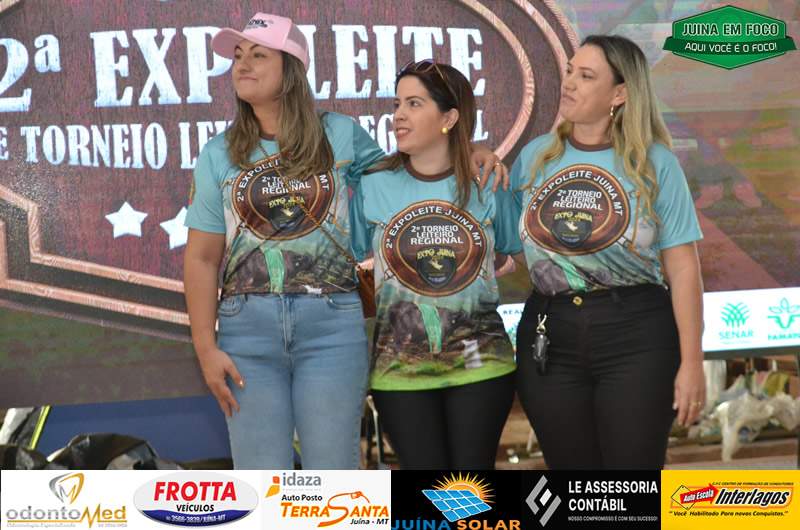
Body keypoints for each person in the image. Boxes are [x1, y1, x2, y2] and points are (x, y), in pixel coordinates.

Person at [183, 13, 506, 469]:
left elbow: (407, 168)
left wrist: (468, 148)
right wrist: (205, 347)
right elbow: (201, 258)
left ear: (292, 68)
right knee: (262, 482)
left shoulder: (339, 132)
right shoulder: (219, 152)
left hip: (331, 327)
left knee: (334, 480)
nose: (242, 65)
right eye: (237, 56)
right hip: (246, 329)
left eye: (258, 55)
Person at [508, 35, 706, 469]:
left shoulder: (657, 164)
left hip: (637, 335)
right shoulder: (534, 157)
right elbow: (505, 244)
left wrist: (693, 362)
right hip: (550, 334)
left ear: (619, 94)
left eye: (586, 76)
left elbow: (683, 269)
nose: (569, 83)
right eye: (569, 72)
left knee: (632, 482)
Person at [352, 60, 520, 470]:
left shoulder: (487, 183)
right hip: (399, 371)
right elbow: (345, 258)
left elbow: (519, 251)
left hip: (481, 365)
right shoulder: (374, 184)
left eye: (414, 103)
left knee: (471, 491)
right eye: (397, 104)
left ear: (449, 118)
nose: (398, 115)